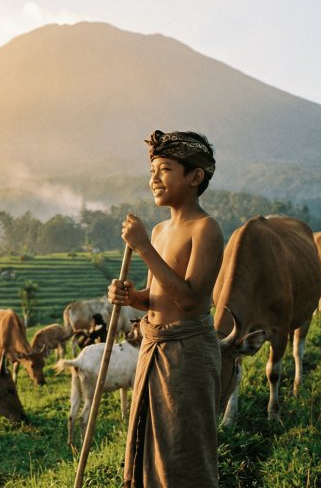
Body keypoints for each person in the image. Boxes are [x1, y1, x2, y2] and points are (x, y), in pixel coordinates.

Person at [108, 130, 224, 487]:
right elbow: (158, 294)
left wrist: (142, 248)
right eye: (152, 170)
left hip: (186, 354)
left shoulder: (206, 229)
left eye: (165, 169)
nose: (154, 178)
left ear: (195, 177)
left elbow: (189, 300)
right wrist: (132, 297)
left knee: (181, 447)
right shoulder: (159, 231)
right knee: (148, 448)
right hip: (152, 346)